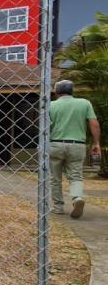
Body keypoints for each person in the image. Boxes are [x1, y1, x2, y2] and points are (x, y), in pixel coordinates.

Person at [49, 80, 101, 219]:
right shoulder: (84, 103)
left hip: (56, 144)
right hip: (77, 144)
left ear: (56, 92)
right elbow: (93, 123)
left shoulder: (50, 105)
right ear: (72, 91)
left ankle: (58, 207)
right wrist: (96, 143)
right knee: (76, 175)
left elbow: (45, 128)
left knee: (55, 178)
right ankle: (77, 197)